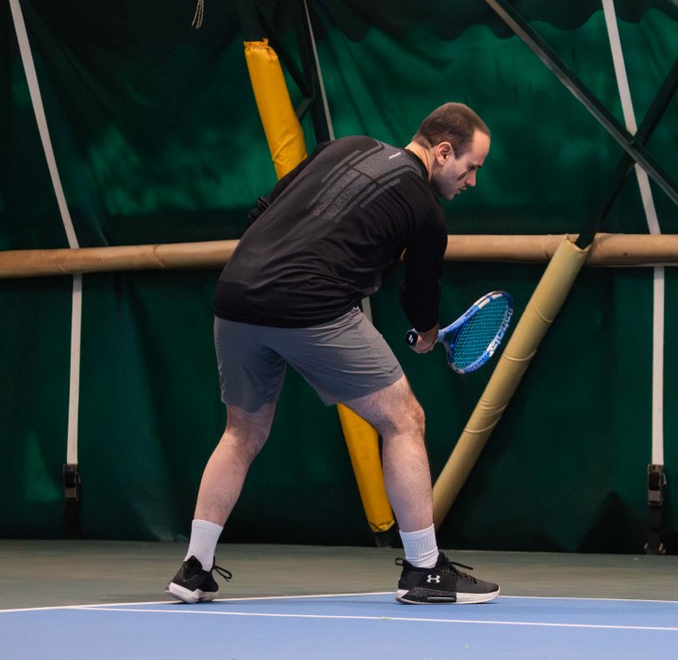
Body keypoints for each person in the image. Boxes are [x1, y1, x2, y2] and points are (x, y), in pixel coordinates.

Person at [167, 102, 499, 605]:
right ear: (443, 151)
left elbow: (262, 210)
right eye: (471, 167)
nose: (472, 180)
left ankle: (195, 568)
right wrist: (427, 333)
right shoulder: (427, 211)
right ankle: (425, 570)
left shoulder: (346, 146)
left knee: (241, 432)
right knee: (404, 420)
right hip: (312, 304)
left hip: (236, 293)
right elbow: (418, 295)